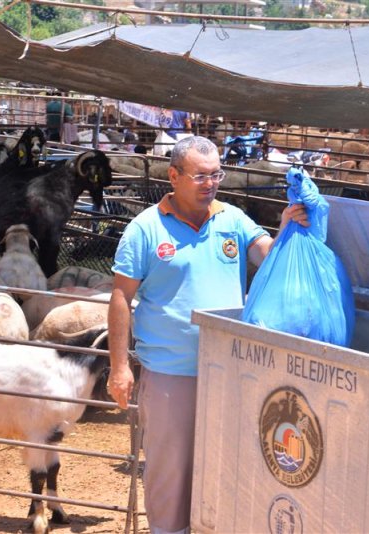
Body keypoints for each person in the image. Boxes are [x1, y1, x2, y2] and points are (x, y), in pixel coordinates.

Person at [106, 135, 306, 534]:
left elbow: (266, 255)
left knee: (229, 460)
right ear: (174, 176)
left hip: (232, 369)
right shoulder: (145, 229)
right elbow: (119, 298)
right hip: (171, 370)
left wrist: (285, 230)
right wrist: (118, 368)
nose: (211, 183)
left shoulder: (232, 220)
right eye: (201, 176)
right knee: (170, 466)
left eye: (216, 175)